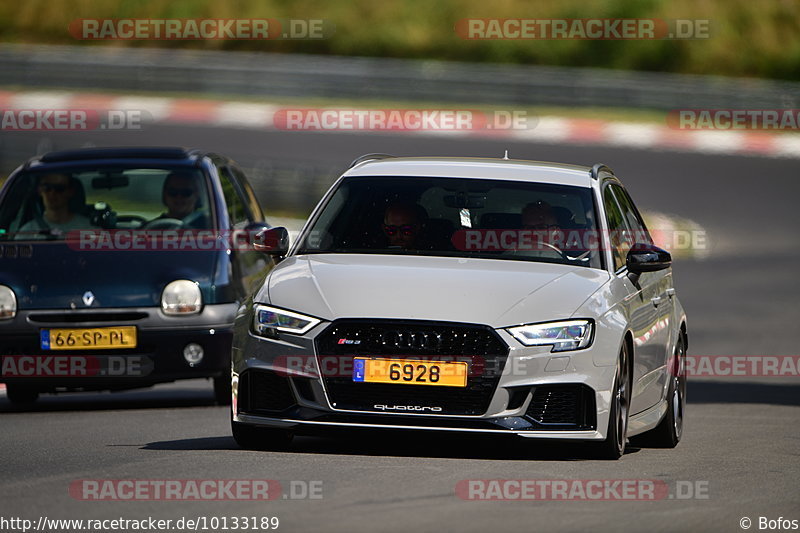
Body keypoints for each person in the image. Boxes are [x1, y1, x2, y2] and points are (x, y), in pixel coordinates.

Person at [18, 173, 91, 235]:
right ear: (39, 190)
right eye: (47, 188)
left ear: (70, 192)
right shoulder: (27, 233)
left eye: (59, 188)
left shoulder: (89, 231)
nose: (52, 193)